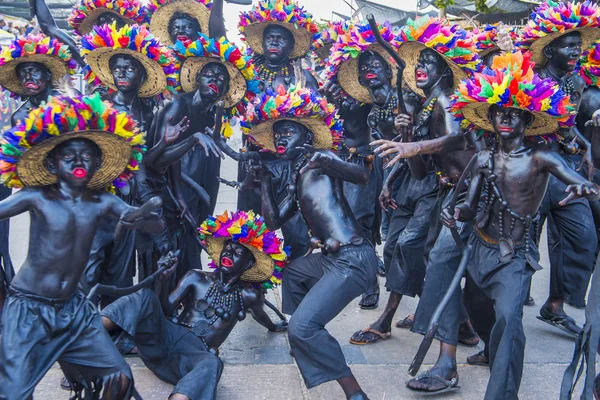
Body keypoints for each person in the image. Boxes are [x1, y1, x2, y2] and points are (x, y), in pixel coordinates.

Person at [444, 50, 599, 399]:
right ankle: (501, 360)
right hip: (480, 251)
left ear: (527, 122)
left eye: (515, 114)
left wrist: (584, 186)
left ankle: (500, 394)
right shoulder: (483, 157)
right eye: (500, 112)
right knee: (488, 323)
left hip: (514, 257)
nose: (506, 119)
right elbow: (468, 209)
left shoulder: (542, 157)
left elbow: (574, 177)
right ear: (491, 115)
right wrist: (455, 214)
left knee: (510, 319)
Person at [0, 94, 165, 399]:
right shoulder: (35, 196)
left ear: (98, 162)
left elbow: (154, 225)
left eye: (86, 155)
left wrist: (144, 218)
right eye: (69, 155)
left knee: (119, 378)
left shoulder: (102, 201)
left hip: (73, 310)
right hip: (29, 309)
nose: (78, 161)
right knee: (13, 393)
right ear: (52, 162)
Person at [351, 17, 480, 351]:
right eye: (418, 62)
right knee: (407, 250)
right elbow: (420, 169)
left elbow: (458, 138)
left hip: (464, 193)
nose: (420, 67)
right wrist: (407, 141)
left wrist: (413, 145)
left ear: (445, 70)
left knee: (421, 253)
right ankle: (461, 325)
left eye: (428, 62)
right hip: (437, 189)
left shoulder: (447, 99)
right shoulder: (424, 105)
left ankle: (396, 322)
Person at [242, 86, 375, 399]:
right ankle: (310, 337)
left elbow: (363, 176)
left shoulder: (321, 159)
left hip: (353, 258)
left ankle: (355, 392)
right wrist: (262, 182)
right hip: (331, 261)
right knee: (293, 273)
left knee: (300, 327)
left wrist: (326, 160)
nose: (280, 138)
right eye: (277, 134)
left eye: (288, 132)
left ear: (307, 136)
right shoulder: (298, 173)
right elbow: (273, 221)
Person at [101, 210, 288, 399]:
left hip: (191, 357)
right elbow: (165, 309)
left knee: (213, 363)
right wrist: (163, 282)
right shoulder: (196, 277)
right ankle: (89, 334)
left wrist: (273, 327)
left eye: (238, 253)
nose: (229, 253)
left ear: (248, 265)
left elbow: (259, 314)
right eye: (228, 249)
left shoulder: (248, 295)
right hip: (163, 339)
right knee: (145, 297)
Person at [78, 22, 180, 303]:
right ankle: (80, 327)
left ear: (142, 75)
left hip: (130, 199)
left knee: (119, 270)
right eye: (117, 68)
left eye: (130, 68)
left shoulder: (149, 113)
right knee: (90, 265)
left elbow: (142, 164)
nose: (121, 73)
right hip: (98, 198)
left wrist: (164, 143)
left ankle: (110, 327)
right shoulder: (99, 107)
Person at [145, 33, 257, 285]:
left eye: (222, 79)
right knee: (174, 234)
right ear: (197, 78)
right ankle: (166, 293)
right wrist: (179, 192)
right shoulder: (176, 106)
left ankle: (187, 287)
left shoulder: (212, 113)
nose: (216, 80)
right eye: (210, 74)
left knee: (195, 226)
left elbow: (213, 148)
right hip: (163, 181)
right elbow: (156, 162)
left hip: (198, 174)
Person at [517, 0, 600, 336]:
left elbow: (568, 124)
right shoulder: (529, 81)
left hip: (565, 170)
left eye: (578, 46)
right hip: (532, 169)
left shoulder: (576, 83)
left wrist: (585, 145)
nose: (576, 50)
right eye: (569, 45)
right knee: (522, 243)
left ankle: (556, 304)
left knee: (584, 237)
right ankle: (501, 315)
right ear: (549, 51)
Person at [321, 21, 399, 309]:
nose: (369, 67)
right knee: (340, 219)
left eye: (375, 62)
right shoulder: (340, 90)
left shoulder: (382, 95)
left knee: (362, 222)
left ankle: (370, 284)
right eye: (363, 63)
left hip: (366, 160)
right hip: (340, 159)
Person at [235, 0, 319, 260]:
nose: (273, 42)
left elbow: (317, 125)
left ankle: (298, 290)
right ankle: (252, 292)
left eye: (280, 39)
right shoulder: (246, 74)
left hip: (290, 167)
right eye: (269, 37)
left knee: (295, 233)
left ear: (291, 46)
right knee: (249, 233)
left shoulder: (304, 79)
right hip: (254, 162)